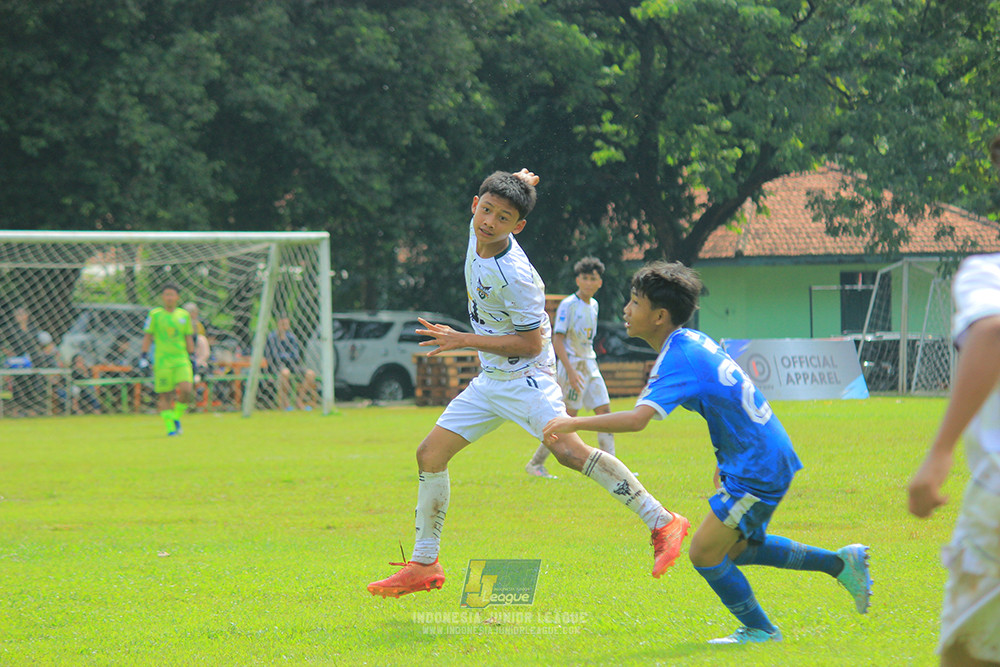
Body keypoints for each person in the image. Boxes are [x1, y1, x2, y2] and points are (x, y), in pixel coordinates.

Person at [367, 169, 688, 599]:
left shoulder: (516, 276)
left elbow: (532, 341)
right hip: (491, 380)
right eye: (486, 210)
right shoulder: (477, 225)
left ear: (518, 227)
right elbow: (499, 192)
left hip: (526, 377)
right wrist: (517, 179)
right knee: (429, 454)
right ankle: (425, 563)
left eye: (503, 218)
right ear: (475, 204)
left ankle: (662, 520)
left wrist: (462, 339)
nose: (489, 222)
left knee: (568, 453)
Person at [544, 260, 872, 644]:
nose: (626, 311)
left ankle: (761, 630)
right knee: (737, 549)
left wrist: (573, 423)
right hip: (759, 455)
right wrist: (724, 458)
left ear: (660, 316)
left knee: (703, 553)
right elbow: (729, 399)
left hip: (758, 464)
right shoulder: (694, 341)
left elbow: (637, 420)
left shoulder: (678, 356)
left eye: (634, 303)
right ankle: (839, 564)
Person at [907, 136, 1000, 667]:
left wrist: (939, 454)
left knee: (966, 658)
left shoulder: (987, 273)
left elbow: (989, 333)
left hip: (997, 494)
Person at [526, 257, 616, 479]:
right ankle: (535, 463)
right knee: (567, 418)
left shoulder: (594, 305)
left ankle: (611, 468)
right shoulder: (568, 305)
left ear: (599, 283)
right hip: (572, 365)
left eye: (592, 279)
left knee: (604, 412)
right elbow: (558, 340)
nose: (587, 283)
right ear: (578, 280)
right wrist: (571, 371)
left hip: (590, 363)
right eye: (584, 278)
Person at [140, 284, 194, 436]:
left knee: (186, 390)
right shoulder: (155, 314)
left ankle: (176, 416)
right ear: (162, 297)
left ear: (177, 297)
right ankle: (170, 428)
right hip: (162, 360)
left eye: (172, 294)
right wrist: (143, 357)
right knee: (165, 395)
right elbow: (148, 336)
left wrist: (193, 356)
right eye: (166, 294)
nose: (169, 297)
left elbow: (188, 336)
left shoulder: (184, 315)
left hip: (181, 359)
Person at [264, 315, 317, 411]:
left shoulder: (291, 338)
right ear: (278, 324)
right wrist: (287, 356)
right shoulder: (272, 337)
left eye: (286, 324)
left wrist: (284, 356)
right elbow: (274, 356)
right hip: (276, 366)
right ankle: (286, 403)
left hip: (292, 365)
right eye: (282, 324)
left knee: (310, 374)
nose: (284, 326)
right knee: (285, 373)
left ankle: (299, 401)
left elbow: (296, 355)